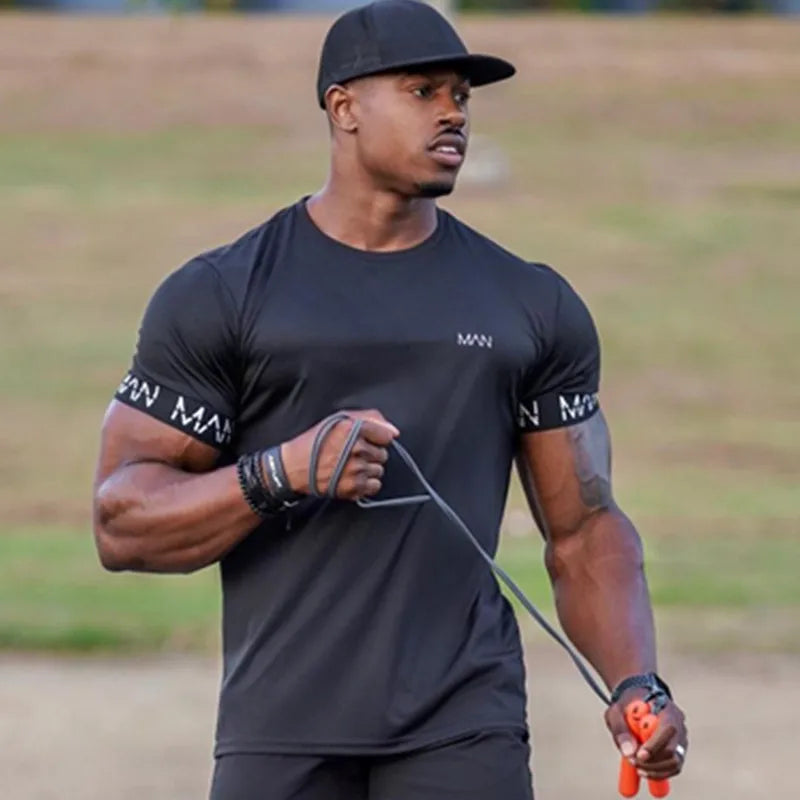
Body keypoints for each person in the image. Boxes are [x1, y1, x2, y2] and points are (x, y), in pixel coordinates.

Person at [92, 1, 688, 798]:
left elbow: (584, 530)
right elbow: (122, 522)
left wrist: (636, 683)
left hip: (464, 723)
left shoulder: (530, 304)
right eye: (422, 91)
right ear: (344, 107)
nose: (453, 113)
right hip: (280, 726)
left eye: (461, 96)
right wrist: (279, 474)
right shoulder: (221, 294)